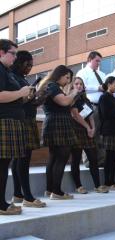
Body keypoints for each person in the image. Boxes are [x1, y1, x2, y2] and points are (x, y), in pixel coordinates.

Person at [10, 50, 46, 208]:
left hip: (28, 118)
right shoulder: (13, 78)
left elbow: (29, 102)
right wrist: (28, 96)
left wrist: (39, 97)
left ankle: (18, 194)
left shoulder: (21, 78)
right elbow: (17, 100)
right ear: (19, 62)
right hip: (21, 120)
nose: (29, 68)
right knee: (22, 160)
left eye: (32, 65)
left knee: (20, 159)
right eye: (27, 64)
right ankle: (27, 197)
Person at [0, 39, 31, 215]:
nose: (15, 57)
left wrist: (27, 95)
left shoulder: (7, 71)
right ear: (1, 53)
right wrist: (21, 92)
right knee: (2, 165)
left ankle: (2, 202)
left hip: (11, 120)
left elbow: (14, 97)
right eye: (13, 53)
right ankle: (1, 205)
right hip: (3, 121)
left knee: (4, 164)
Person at [40, 65, 79, 200]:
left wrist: (70, 94)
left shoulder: (50, 85)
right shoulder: (53, 86)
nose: (68, 81)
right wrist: (74, 92)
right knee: (61, 157)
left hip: (54, 123)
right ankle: (56, 192)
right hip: (58, 123)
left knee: (54, 157)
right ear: (59, 75)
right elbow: (63, 102)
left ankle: (50, 189)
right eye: (67, 77)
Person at [69, 77, 108, 194]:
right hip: (76, 130)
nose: (79, 86)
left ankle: (97, 185)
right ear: (72, 86)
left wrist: (93, 128)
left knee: (93, 158)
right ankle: (78, 186)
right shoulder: (71, 98)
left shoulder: (85, 99)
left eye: (81, 84)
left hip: (88, 131)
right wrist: (88, 127)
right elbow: (76, 115)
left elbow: (90, 115)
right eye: (76, 84)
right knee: (76, 159)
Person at [76, 51, 106, 166]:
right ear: (89, 59)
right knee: (89, 132)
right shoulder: (82, 72)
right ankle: (88, 161)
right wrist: (97, 88)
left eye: (100, 61)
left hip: (102, 107)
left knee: (100, 134)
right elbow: (80, 87)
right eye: (97, 61)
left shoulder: (102, 74)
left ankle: (101, 159)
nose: (98, 63)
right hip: (90, 106)